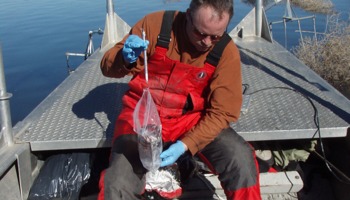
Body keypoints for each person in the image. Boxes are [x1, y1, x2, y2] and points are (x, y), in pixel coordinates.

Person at [98, 0, 261, 199]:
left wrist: (186, 144)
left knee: (240, 158)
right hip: (141, 119)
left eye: (215, 36)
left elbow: (222, 113)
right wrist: (124, 58)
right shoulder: (154, 25)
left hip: (191, 119)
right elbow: (107, 68)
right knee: (116, 182)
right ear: (188, 15)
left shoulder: (226, 53)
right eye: (200, 33)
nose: (207, 42)